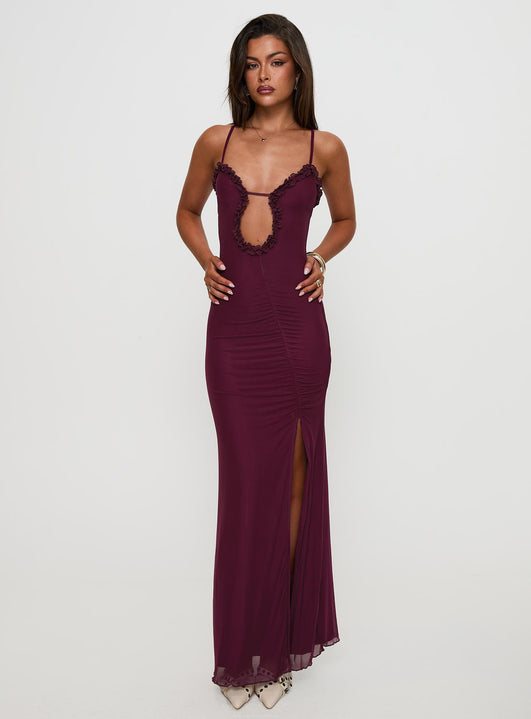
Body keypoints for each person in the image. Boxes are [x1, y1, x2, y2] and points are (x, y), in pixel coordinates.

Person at [176, 13, 356, 710]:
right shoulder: (214, 141)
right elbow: (187, 212)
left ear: (297, 70)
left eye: (276, 61)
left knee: (294, 485)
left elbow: (346, 220)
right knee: (245, 485)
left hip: (300, 338)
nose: (263, 74)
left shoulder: (325, 147)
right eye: (251, 63)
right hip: (234, 338)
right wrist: (205, 262)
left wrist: (320, 257)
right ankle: (240, 649)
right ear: (240, 74)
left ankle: (277, 648)